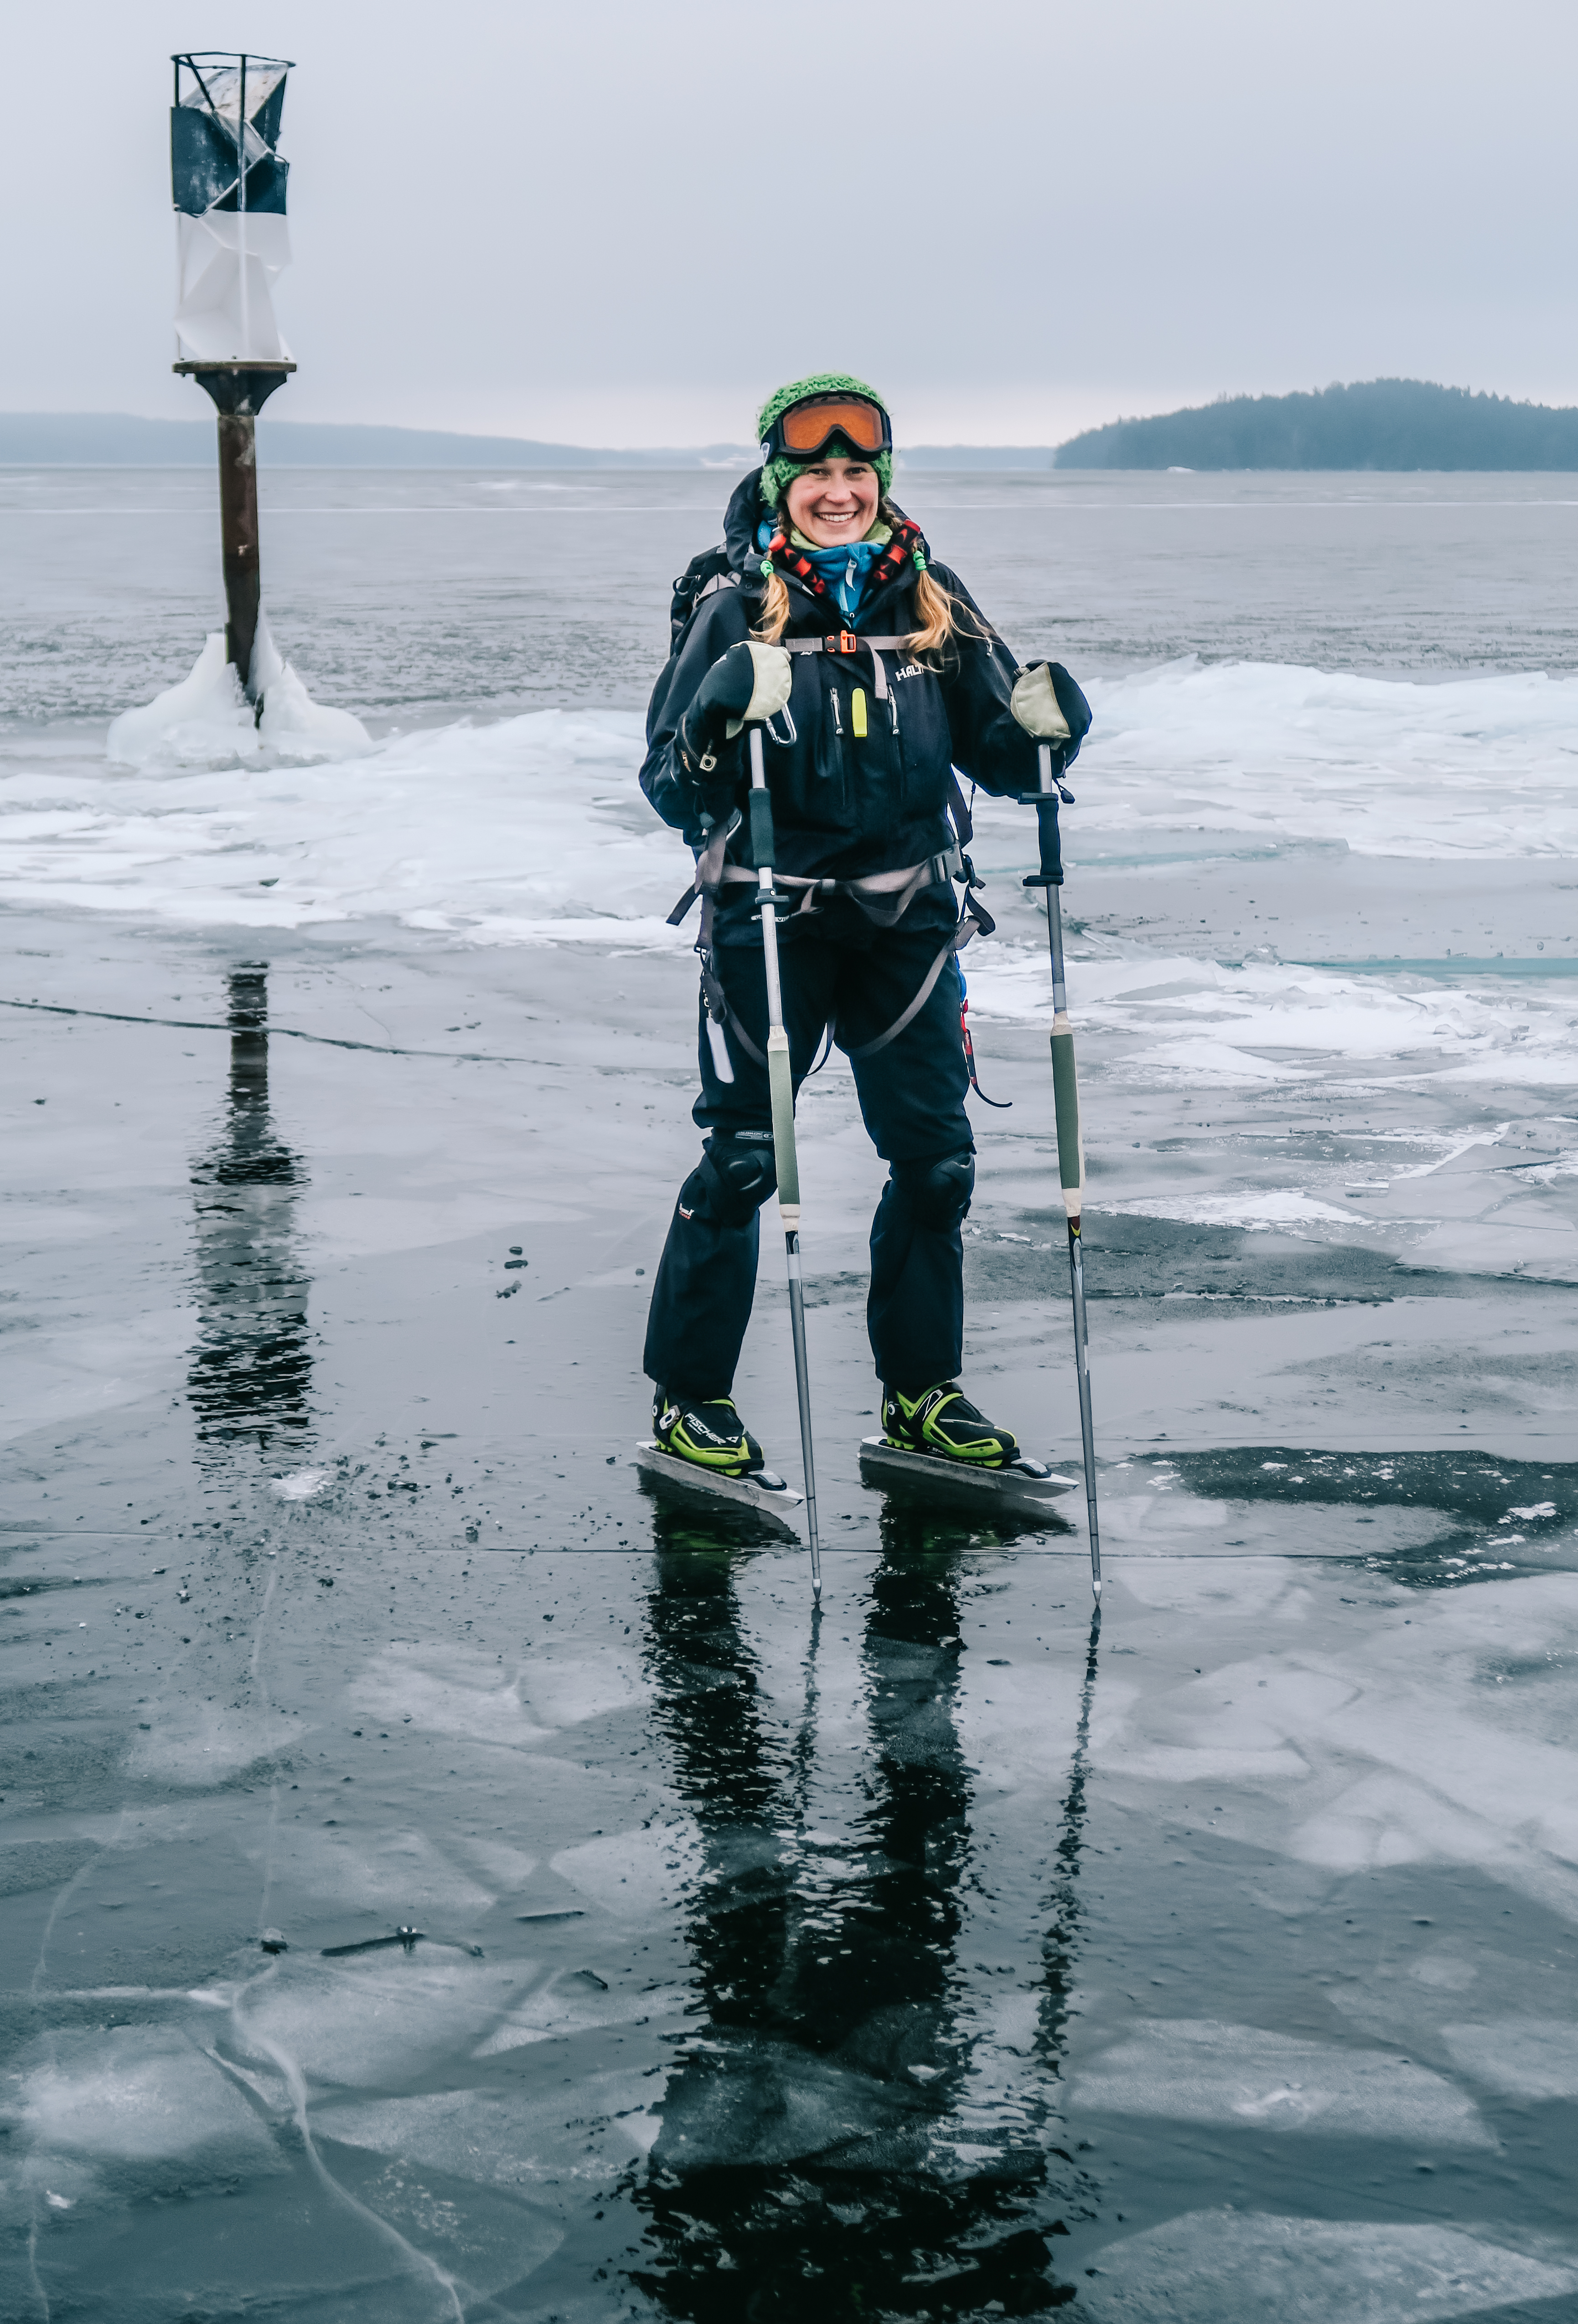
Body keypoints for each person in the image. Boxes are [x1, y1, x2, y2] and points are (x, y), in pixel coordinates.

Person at [640, 373, 1090, 1479]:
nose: (838, 493)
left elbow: (1001, 753)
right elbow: (669, 782)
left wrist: (1051, 731)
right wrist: (711, 721)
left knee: (937, 1167)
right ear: (781, 485)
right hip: (771, 921)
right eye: (817, 475)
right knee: (745, 1161)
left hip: (912, 924)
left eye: (857, 473)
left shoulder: (935, 600)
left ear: (880, 482)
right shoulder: (734, 610)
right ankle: (690, 1401)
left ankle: (920, 1396)